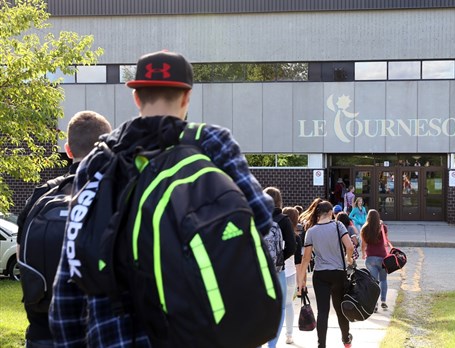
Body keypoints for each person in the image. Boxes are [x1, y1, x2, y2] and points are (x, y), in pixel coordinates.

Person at [49, 50, 275, 347]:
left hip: (113, 334)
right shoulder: (210, 142)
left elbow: (72, 266)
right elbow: (259, 216)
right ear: (186, 97)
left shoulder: (99, 160)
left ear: (137, 97)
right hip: (194, 330)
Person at [17, 111, 112, 348]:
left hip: (41, 333)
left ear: (68, 150)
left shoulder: (41, 195)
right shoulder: (116, 195)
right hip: (97, 333)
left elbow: (21, 256)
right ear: (107, 150)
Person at [300, 200, 354, 348]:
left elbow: (306, 259)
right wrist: (348, 260)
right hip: (338, 273)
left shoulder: (311, 231)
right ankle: (346, 340)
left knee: (322, 312)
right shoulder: (338, 225)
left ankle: (321, 345)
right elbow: (349, 246)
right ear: (331, 213)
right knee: (340, 310)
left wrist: (301, 281)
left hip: (320, 275)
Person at [263, 187, 296, 348]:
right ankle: (272, 344)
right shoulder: (283, 219)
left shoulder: (255, 217)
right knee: (281, 307)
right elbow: (292, 246)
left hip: (258, 272)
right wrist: (280, 258)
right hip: (278, 271)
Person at [281, 207, 303, 345]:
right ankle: (289, 335)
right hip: (291, 275)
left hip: (278, 273)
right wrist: (300, 284)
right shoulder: (296, 238)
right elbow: (298, 263)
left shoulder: (276, 233)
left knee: (278, 307)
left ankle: (273, 335)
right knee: (289, 305)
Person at [360, 209, 389, 313]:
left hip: (370, 257)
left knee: (373, 282)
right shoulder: (383, 227)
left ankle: (375, 304)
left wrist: (363, 253)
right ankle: (383, 300)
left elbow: (363, 245)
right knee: (383, 280)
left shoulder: (364, 228)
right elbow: (386, 241)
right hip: (382, 257)